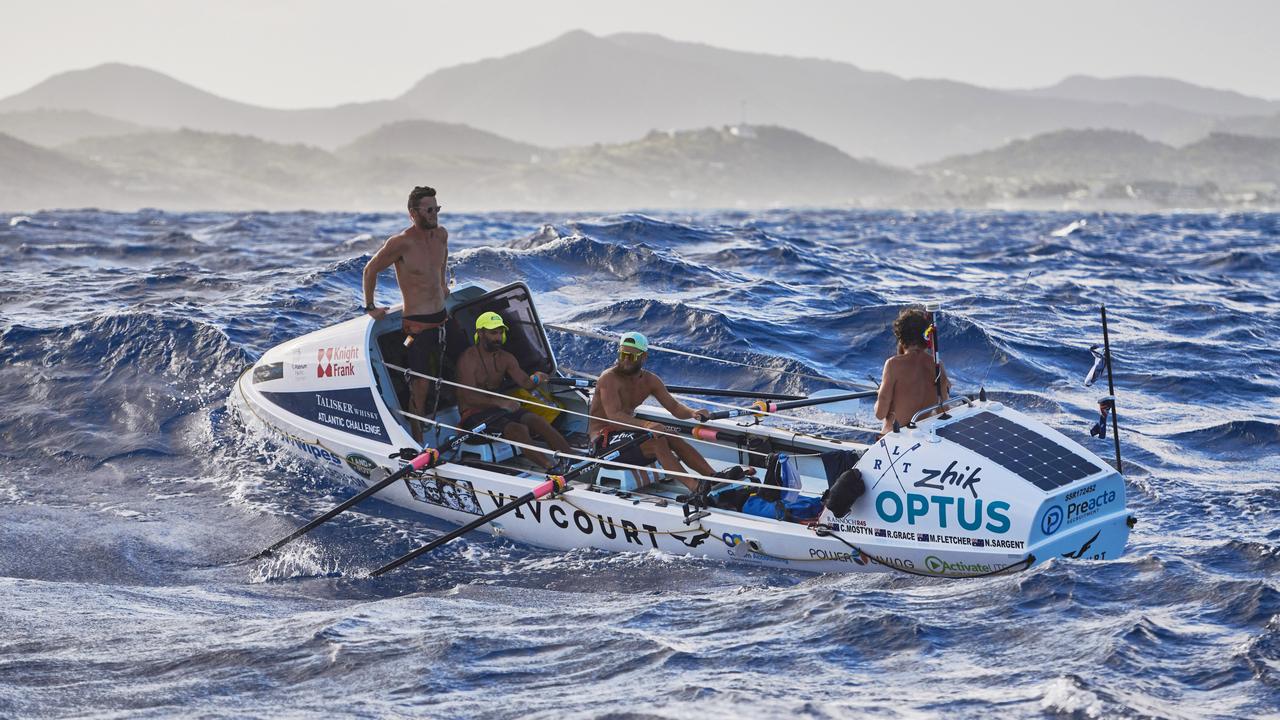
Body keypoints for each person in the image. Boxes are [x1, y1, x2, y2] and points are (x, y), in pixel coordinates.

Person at [363, 186, 449, 442]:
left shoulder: (441, 235)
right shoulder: (401, 243)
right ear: (413, 213)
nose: (435, 214)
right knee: (420, 385)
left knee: (456, 368)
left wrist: (443, 283)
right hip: (417, 325)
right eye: (429, 210)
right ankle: (417, 439)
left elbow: (442, 261)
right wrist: (370, 307)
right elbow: (370, 270)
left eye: (437, 208)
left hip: (442, 318)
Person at [587, 331, 716, 492]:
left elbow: (675, 408)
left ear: (644, 357)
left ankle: (714, 478)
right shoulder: (608, 378)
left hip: (626, 434)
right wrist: (647, 424)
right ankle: (696, 488)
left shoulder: (651, 381)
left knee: (671, 435)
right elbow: (614, 416)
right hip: (602, 443)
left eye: (631, 357)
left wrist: (692, 412)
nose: (625, 360)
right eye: (622, 354)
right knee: (657, 441)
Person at [456, 311, 573, 473]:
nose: (498, 337)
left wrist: (536, 378)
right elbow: (468, 397)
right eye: (493, 333)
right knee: (518, 429)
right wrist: (501, 402)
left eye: (500, 332)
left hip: (498, 410)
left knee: (536, 420)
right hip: (473, 415)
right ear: (481, 333)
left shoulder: (506, 358)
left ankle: (573, 461)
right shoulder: (468, 359)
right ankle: (552, 468)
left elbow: (526, 383)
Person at [874, 307, 950, 435]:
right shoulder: (938, 365)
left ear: (901, 337)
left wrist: (880, 394)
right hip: (923, 438)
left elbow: (880, 414)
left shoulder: (893, 365)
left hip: (895, 441)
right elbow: (943, 410)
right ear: (926, 336)